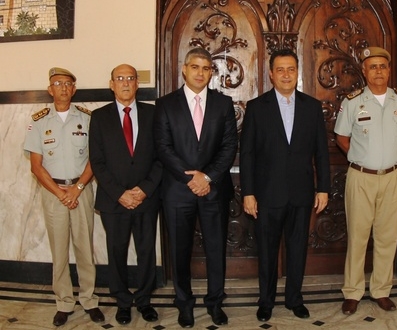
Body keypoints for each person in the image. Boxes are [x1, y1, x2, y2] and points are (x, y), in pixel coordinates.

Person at [240, 48, 331, 322]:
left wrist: (323, 187)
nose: (286, 74)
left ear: (297, 72)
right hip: (267, 194)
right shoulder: (256, 108)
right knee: (267, 252)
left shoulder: (312, 107)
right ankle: (266, 301)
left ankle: (294, 298)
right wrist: (248, 193)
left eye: (291, 69)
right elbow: (247, 155)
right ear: (271, 74)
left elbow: (322, 152)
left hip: (302, 194)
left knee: (297, 249)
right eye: (280, 69)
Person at [154, 48, 238, 328]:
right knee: (179, 251)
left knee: (216, 249)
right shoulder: (165, 104)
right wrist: (191, 178)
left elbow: (229, 147)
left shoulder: (223, 104)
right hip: (178, 191)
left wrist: (208, 177)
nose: (200, 73)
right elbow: (163, 147)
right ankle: (184, 304)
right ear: (184, 69)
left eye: (206, 68)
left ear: (211, 72)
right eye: (195, 67)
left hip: (214, 190)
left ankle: (215, 302)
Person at [23, 67, 104, 326]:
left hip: (81, 191)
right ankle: (64, 302)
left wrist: (78, 188)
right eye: (58, 84)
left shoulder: (88, 119)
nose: (63, 88)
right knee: (59, 251)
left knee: (84, 248)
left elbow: (95, 158)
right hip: (53, 194)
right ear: (50, 89)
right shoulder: (39, 121)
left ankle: (89, 300)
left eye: (68, 84)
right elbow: (36, 166)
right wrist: (61, 193)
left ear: (74, 89)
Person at [334, 47, 397, 315]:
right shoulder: (353, 102)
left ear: (389, 70)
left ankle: (381, 290)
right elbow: (341, 138)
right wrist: (361, 155)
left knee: (387, 237)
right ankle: (353, 291)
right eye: (373, 66)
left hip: (391, 178)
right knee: (357, 236)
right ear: (364, 71)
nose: (378, 70)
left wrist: (384, 157)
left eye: (383, 66)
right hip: (361, 177)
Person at [89, 64, 162, 325]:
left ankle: (144, 300)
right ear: (112, 84)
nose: (126, 83)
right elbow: (97, 162)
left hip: (146, 198)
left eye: (130, 78)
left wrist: (143, 189)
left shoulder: (154, 114)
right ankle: (122, 302)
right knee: (116, 251)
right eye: (120, 78)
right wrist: (120, 193)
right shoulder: (99, 117)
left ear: (137, 84)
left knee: (146, 251)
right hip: (113, 199)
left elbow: (161, 157)